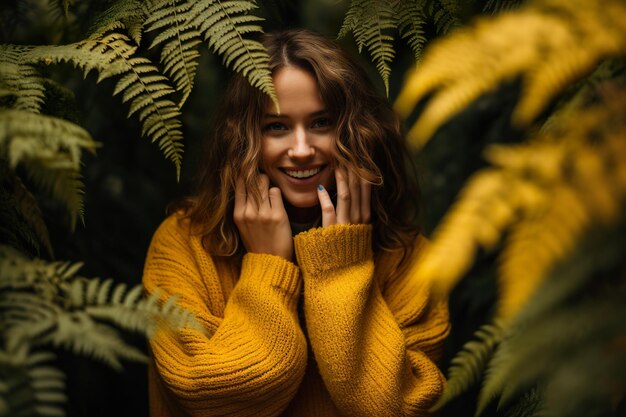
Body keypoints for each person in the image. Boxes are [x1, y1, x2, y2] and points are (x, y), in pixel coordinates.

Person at [142, 28, 450, 417]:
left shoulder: (409, 260)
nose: (301, 150)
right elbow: (217, 397)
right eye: (277, 127)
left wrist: (342, 265)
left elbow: (394, 408)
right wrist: (269, 266)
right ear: (243, 138)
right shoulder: (185, 242)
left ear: (358, 133)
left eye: (321, 123)